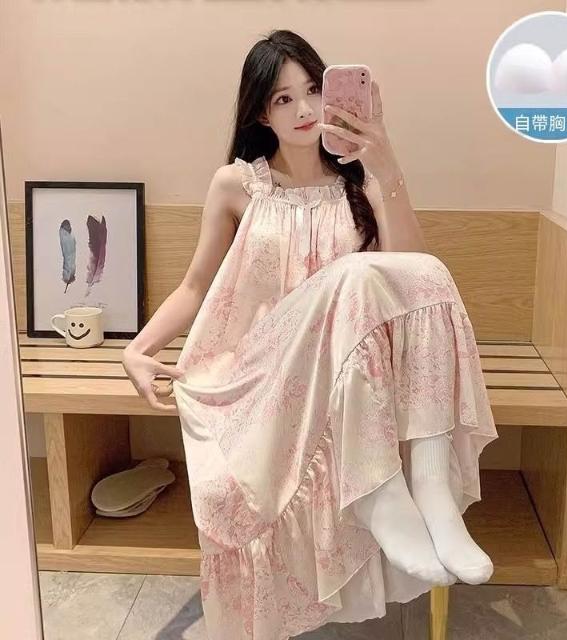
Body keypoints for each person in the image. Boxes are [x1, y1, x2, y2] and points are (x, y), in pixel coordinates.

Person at [122, 28, 499, 640]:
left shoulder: (360, 181)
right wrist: (136, 350)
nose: (304, 109)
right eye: (282, 98)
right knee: (355, 274)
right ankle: (377, 492)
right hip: (265, 368)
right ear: (260, 113)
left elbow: (412, 277)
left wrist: (386, 165)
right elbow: (195, 285)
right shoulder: (237, 185)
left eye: (314, 90)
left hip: (349, 367)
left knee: (422, 272)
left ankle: (429, 485)